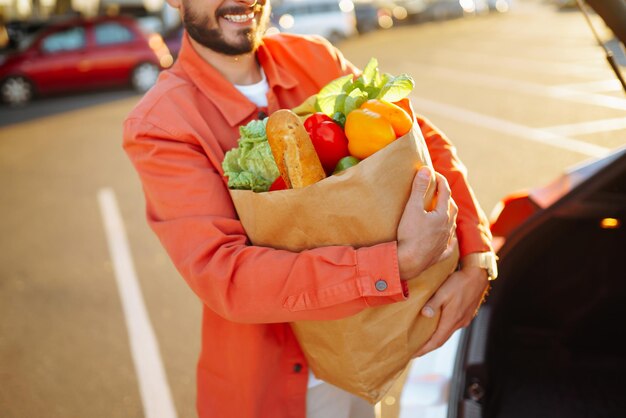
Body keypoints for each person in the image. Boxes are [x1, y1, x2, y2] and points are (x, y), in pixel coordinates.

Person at [122, 0, 496, 417]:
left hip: (365, 359)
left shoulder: (313, 57)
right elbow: (225, 274)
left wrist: (477, 256)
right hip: (272, 391)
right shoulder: (162, 124)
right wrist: (396, 264)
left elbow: (423, 138)